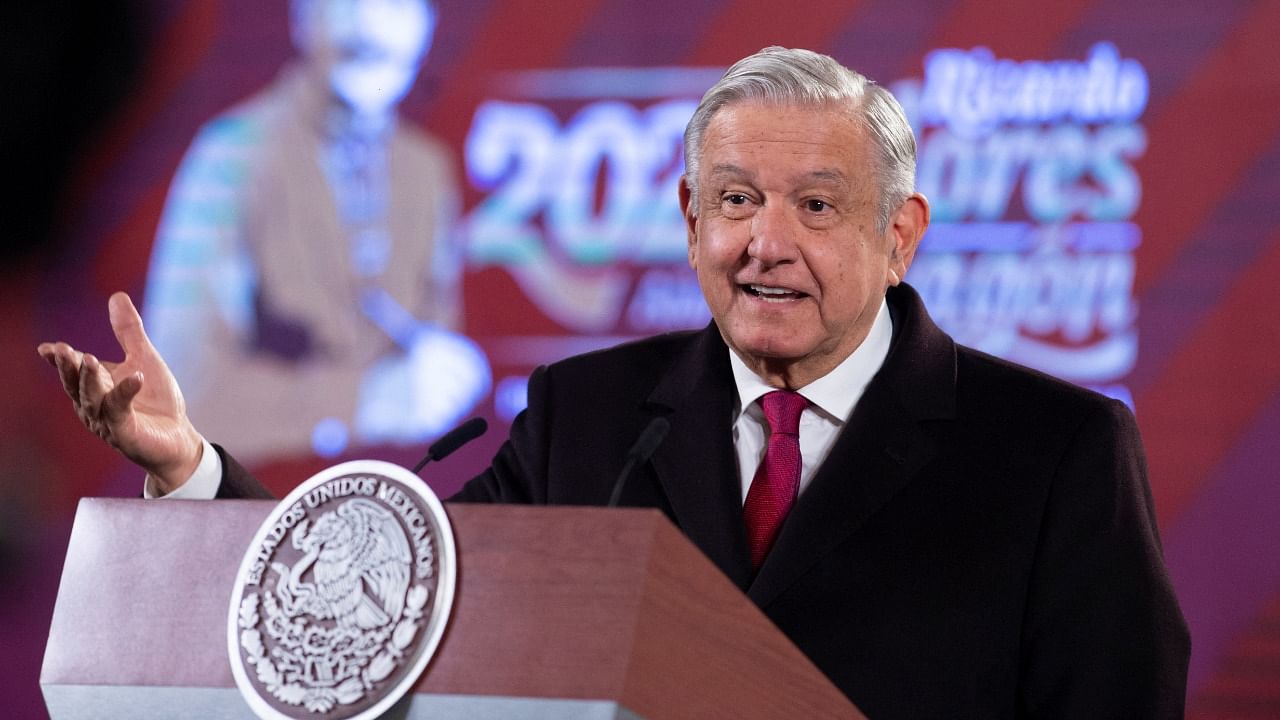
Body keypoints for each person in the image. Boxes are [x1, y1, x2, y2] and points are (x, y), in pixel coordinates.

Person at [39, 47, 1189, 716]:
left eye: (816, 206)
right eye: (734, 201)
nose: (764, 244)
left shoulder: (1052, 451)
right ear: (690, 224)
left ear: (900, 237)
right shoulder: (589, 417)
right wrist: (191, 469)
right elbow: (385, 611)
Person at [142, 0, 489, 463]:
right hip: (262, 501)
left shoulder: (425, 171)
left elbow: (433, 360)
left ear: (428, 23)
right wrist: (364, 403)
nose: (370, 21)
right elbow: (177, 394)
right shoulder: (232, 156)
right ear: (303, 16)